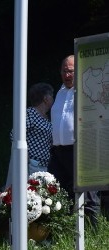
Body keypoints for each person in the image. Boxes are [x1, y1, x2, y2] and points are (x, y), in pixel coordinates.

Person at [49, 54, 100, 225]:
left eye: (71, 71)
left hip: (80, 149)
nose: (67, 75)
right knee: (58, 193)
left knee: (88, 194)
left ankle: (93, 235)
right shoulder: (60, 92)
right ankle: (65, 230)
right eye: (64, 71)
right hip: (58, 151)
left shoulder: (85, 90)